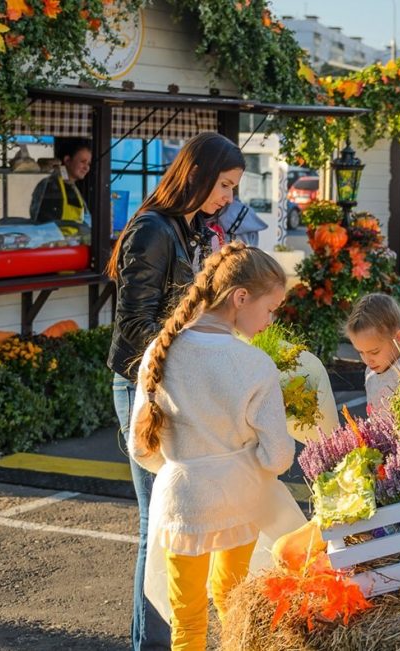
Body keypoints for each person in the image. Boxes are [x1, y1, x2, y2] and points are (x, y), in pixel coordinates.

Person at [106, 131, 244, 651]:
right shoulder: (153, 230)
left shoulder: (188, 229)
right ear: (197, 175)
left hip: (171, 384)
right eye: (224, 185)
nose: (228, 197)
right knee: (158, 524)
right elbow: (135, 324)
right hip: (143, 388)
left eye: (232, 188)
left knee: (172, 523)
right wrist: (198, 354)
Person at [130, 242, 299, 650]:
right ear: (241, 297)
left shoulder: (161, 351)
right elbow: (278, 456)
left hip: (181, 501)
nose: (270, 320)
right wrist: (245, 460)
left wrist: (182, 467)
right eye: (270, 308)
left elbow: (141, 448)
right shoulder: (255, 364)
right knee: (232, 603)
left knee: (186, 619)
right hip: (239, 497)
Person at [345, 293, 400, 417]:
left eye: (374, 352)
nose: (367, 360)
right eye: (361, 352)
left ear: (398, 338)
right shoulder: (370, 372)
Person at [29, 138, 93, 236]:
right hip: (56, 247)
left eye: (88, 163)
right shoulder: (51, 186)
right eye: (83, 162)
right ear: (67, 160)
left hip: (72, 246)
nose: (86, 167)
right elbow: (44, 224)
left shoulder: (72, 188)